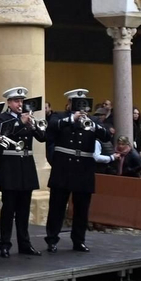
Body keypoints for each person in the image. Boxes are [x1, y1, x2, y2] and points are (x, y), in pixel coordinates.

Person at [43, 89, 110, 253]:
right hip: (63, 166)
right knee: (57, 206)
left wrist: (92, 124)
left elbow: (106, 136)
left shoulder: (93, 119)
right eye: (76, 103)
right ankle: (52, 239)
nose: (80, 106)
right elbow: (50, 130)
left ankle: (79, 240)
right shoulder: (59, 117)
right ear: (69, 103)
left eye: (83, 103)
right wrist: (72, 118)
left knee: (82, 208)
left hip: (84, 168)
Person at [0, 87, 43, 257]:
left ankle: (24, 243)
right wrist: (21, 122)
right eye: (16, 101)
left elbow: (43, 137)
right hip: (10, 166)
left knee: (24, 209)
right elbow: (3, 132)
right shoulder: (1, 118)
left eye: (22, 101)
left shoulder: (29, 119)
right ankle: (4, 244)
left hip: (26, 166)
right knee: (9, 208)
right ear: (9, 102)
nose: (20, 104)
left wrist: (34, 125)